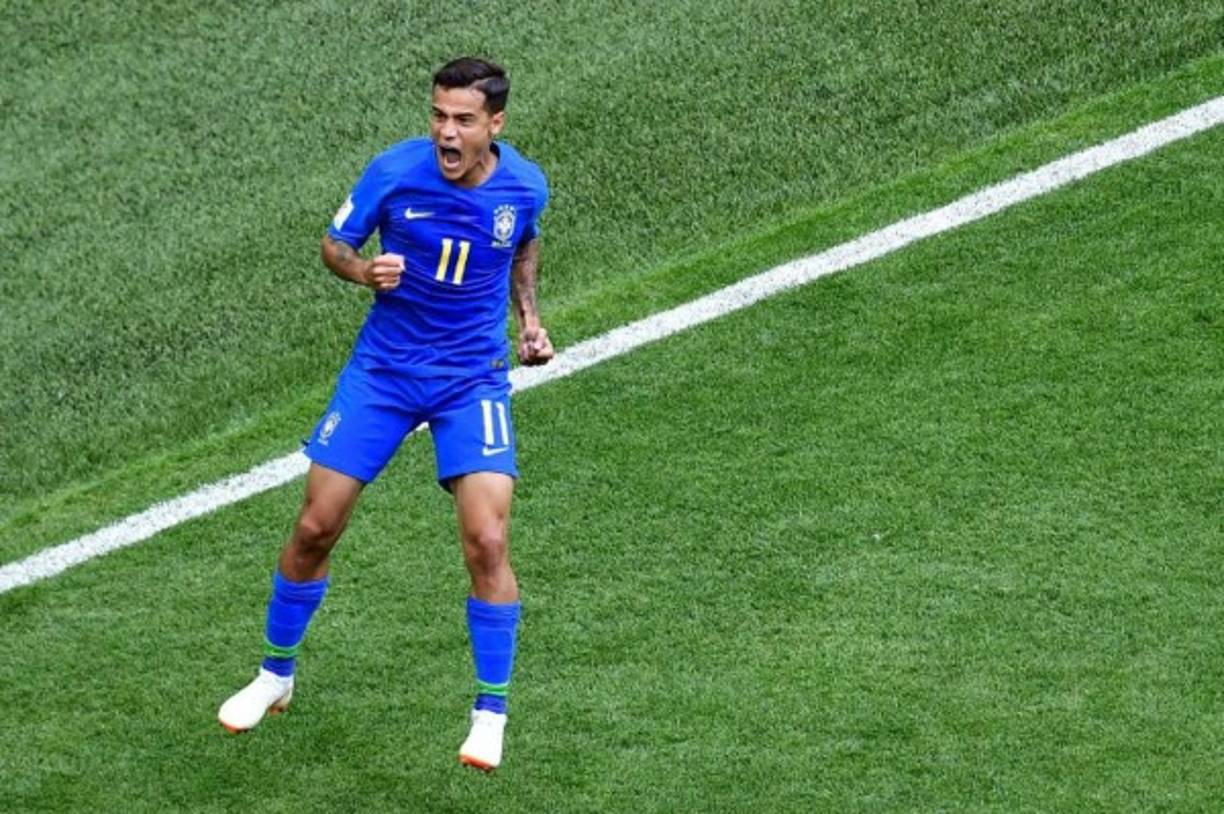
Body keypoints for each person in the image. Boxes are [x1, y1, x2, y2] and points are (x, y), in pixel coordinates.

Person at [217, 57, 553, 772]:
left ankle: (490, 712)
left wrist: (529, 320)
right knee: (315, 525)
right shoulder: (395, 172)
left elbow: (524, 242)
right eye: (439, 115)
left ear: (495, 123)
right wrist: (364, 271)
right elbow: (334, 245)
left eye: (463, 120)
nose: (446, 132)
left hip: (471, 381)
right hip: (384, 374)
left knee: (487, 540)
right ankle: (275, 674)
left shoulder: (525, 185)